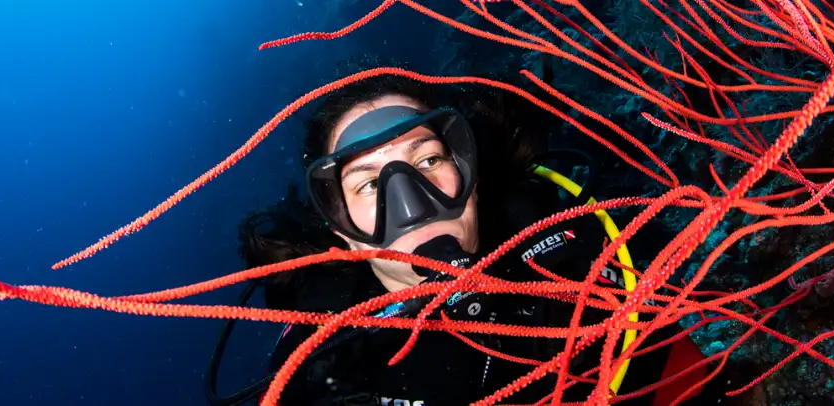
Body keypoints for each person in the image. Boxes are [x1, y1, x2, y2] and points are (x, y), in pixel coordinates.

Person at [220, 69, 740, 405]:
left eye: (427, 160)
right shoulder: (323, 366)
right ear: (342, 231)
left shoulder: (584, 252)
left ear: (468, 172)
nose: (412, 203)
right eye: (370, 184)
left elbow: (682, 380)